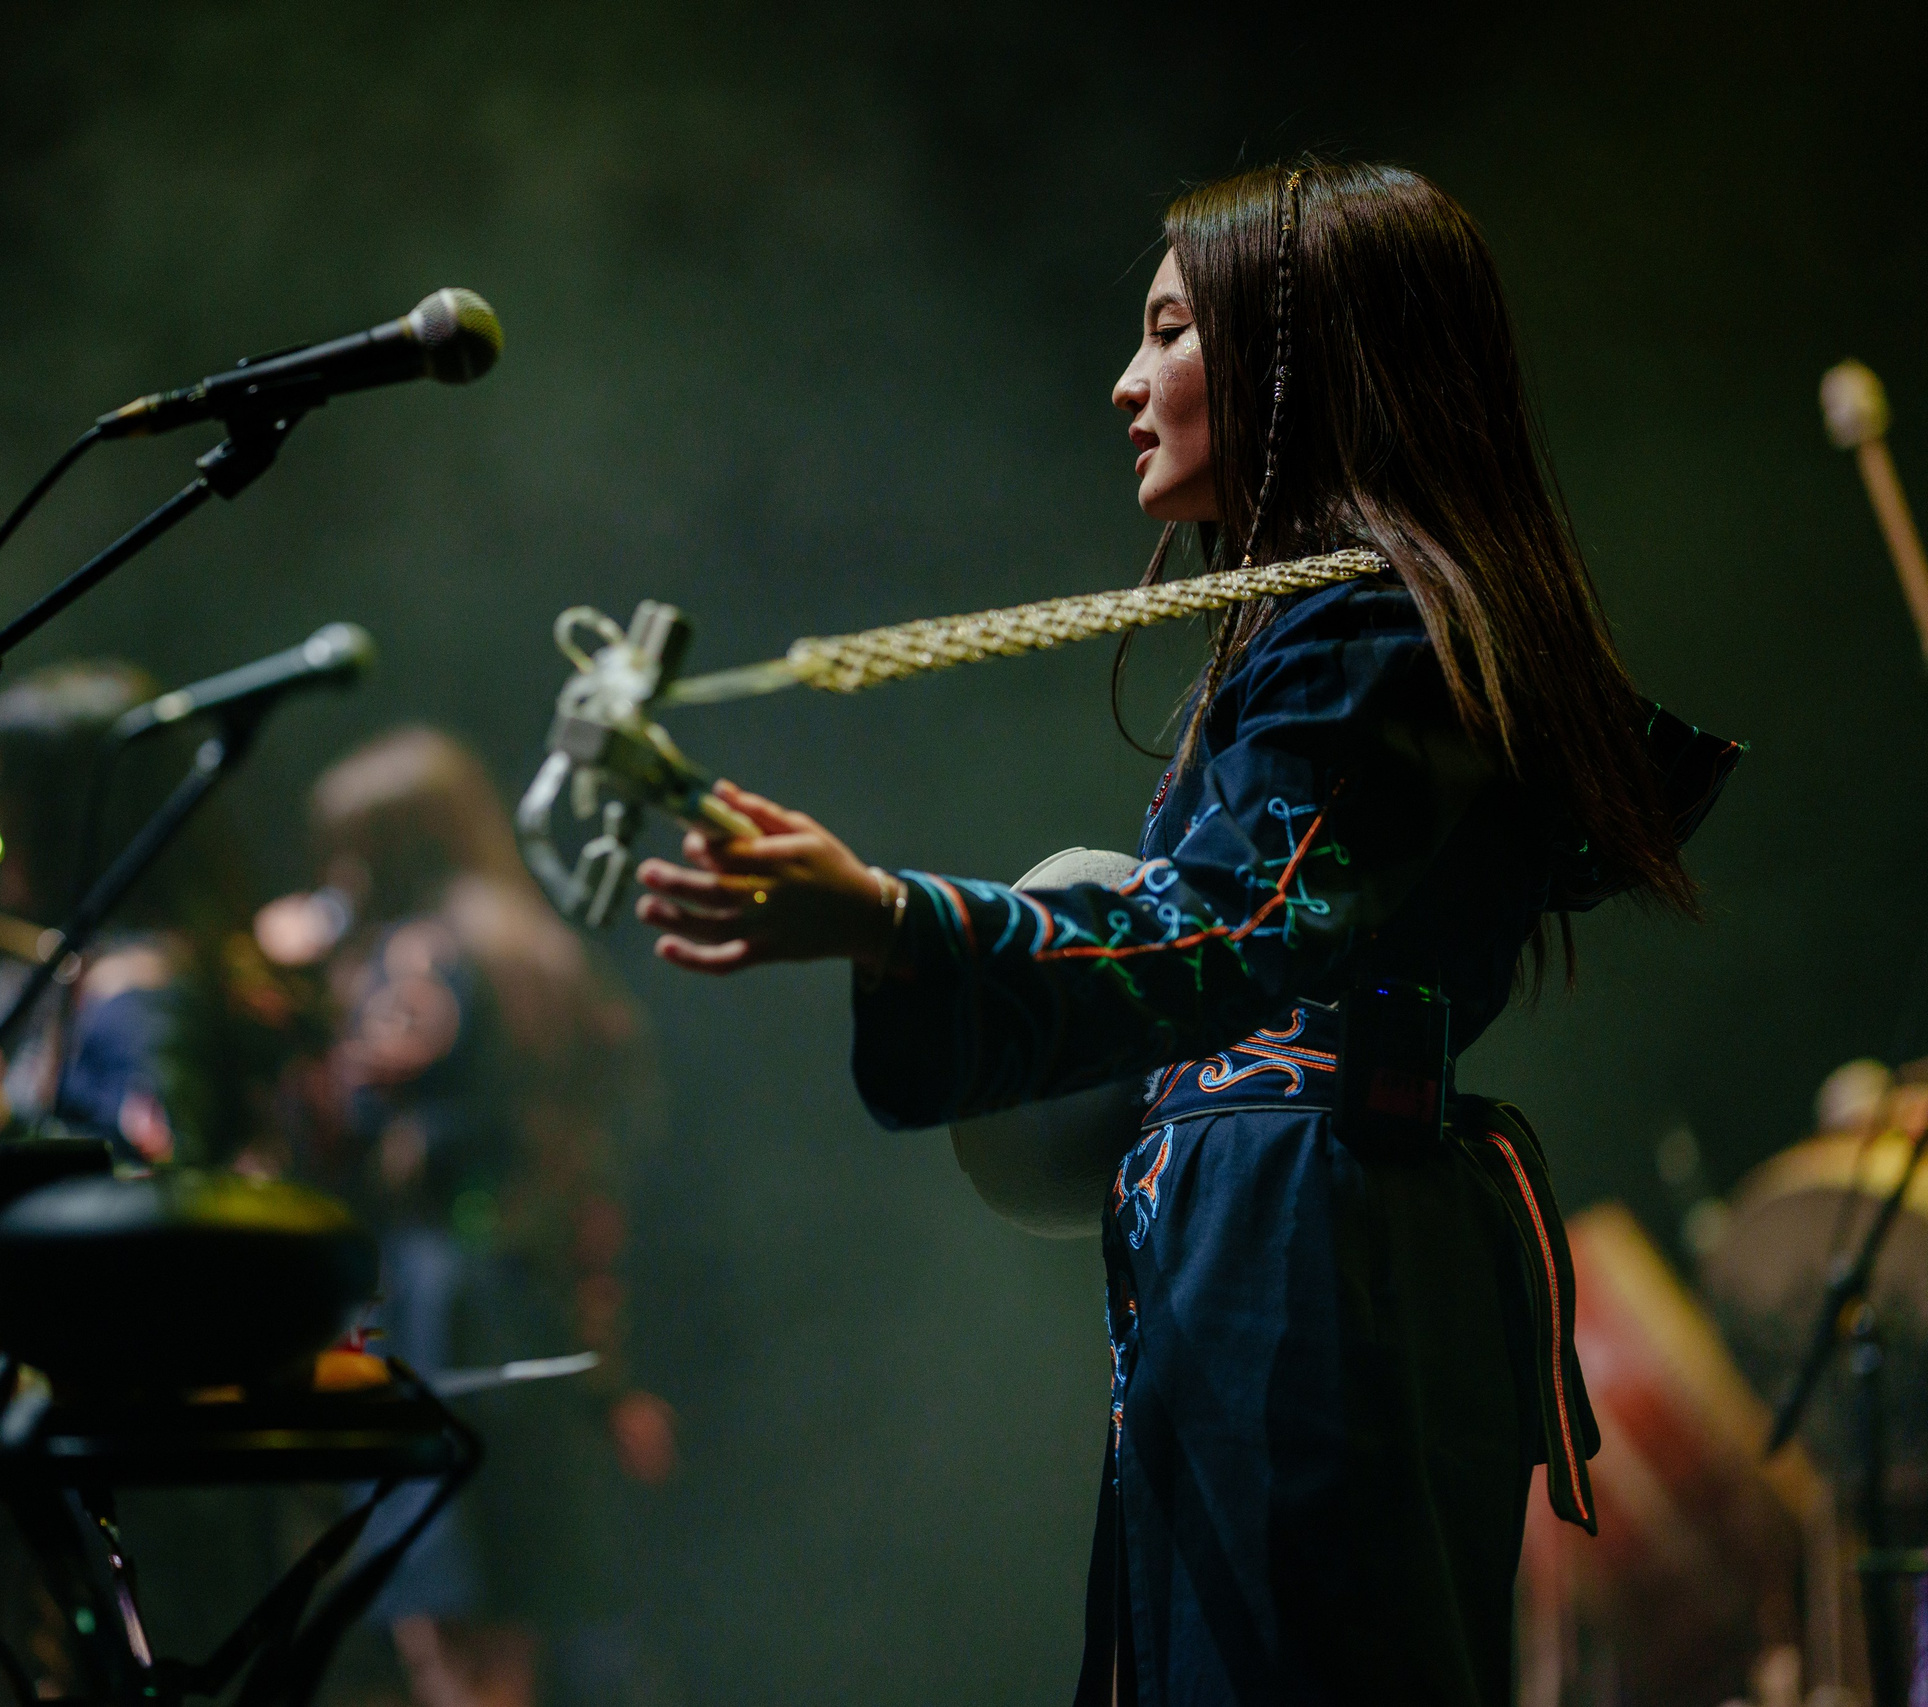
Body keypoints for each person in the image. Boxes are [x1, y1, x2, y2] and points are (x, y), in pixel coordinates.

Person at [630, 160, 1738, 1704]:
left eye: (1167, 331)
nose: (1126, 381)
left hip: (1308, 1243)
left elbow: (1239, 920)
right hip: (1299, 1226)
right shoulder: (1348, 629)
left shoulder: (1375, 637)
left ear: (1300, 360)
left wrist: (896, 916)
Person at [258, 726, 678, 1707]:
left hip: (434, 1313)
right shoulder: (538, 954)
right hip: (532, 1307)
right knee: (518, 1630)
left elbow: (337, 1120)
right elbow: (598, 1176)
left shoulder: (412, 959)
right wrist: (610, 1373)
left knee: (451, 1642)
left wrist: (281, 983)